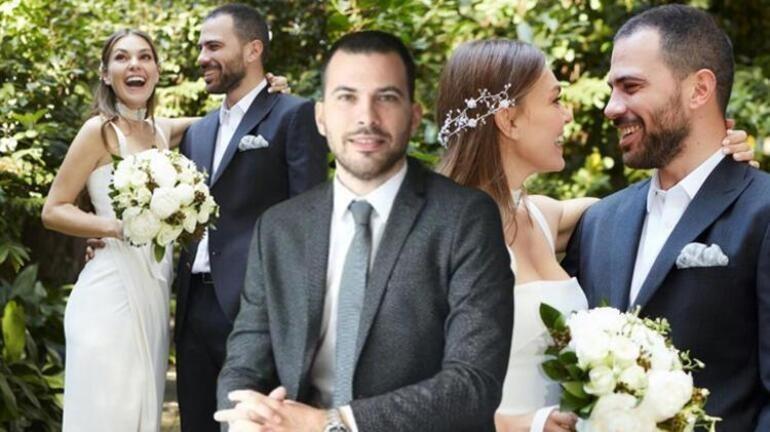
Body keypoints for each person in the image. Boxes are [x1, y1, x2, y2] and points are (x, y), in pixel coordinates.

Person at [436, 38, 755, 432]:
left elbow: (657, 214)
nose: (568, 115)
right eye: (555, 100)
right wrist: (525, 425)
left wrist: (715, 165)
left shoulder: (546, 218)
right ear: (509, 120)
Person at [214, 30, 514, 432]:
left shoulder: (465, 218)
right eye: (347, 97)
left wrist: (330, 424)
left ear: (414, 116)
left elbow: (473, 384)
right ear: (321, 117)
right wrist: (247, 420)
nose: (366, 118)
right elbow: (243, 365)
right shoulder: (279, 228)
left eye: (386, 97)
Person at [562, 5, 770, 431]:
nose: (611, 108)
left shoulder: (762, 211)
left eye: (631, 87)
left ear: (699, 90)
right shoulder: (599, 221)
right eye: (612, 89)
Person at [173, 4, 328, 432]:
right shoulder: (197, 132)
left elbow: (310, 223)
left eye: (214, 47)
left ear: (253, 50)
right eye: (201, 47)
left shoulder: (294, 115)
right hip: (193, 308)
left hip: (258, 313)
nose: (202, 57)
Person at [41, 29, 196, 432]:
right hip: (109, 294)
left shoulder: (163, 131)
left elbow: (230, 117)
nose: (135, 65)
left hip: (154, 290)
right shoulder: (98, 131)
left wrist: (268, 89)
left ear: (157, 70)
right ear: (106, 73)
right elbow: (53, 210)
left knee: (141, 410)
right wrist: (116, 227)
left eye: (145, 57)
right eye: (122, 58)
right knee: (108, 414)